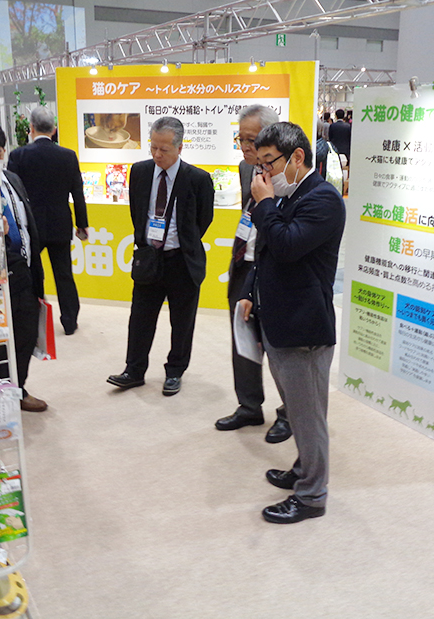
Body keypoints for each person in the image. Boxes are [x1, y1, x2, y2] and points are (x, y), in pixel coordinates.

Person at [239, 121, 345, 524]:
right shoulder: (286, 195)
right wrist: (250, 291)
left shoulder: (323, 199)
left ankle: (312, 495)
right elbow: (263, 251)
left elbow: (286, 246)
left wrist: (264, 203)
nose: (264, 173)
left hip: (305, 329)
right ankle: (303, 468)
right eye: (261, 164)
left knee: (308, 416)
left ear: (297, 157)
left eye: (269, 162)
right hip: (279, 322)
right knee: (299, 411)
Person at [107, 117, 214, 396]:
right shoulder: (140, 172)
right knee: (140, 317)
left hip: (182, 260)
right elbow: (137, 212)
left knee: (182, 322)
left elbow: (203, 220)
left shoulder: (198, 179)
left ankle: (175, 371)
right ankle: (134, 370)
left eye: (164, 149)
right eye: (153, 147)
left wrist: (181, 241)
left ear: (179, 147)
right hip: (149, 258)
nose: (157, 154)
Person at [214, 104, 292, 444]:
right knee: (242, 339)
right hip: (244, 263)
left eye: (252, 139)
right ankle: (249, 406)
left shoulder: (288, 174)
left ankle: (291, 412)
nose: (245, 147)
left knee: (280, 347)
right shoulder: (246, 168)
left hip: (274, 269)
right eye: (241, 139)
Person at [8, 106, 88, 335]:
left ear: (31, 128)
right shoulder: (68, 156)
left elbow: (12, 194)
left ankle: (36, 320)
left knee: (34, 273)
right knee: (64, 274)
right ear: (54, 130)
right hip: (60, 222)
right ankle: (70, 321)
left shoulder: (18, 155)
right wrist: (82, 224)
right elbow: (78, 193)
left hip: (30, 225)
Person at [0, 125, 48, 412]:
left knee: (25, 334)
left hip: (24, 270)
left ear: (2, 151)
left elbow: (26, 223)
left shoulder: (12, 178)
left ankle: (18, 388)